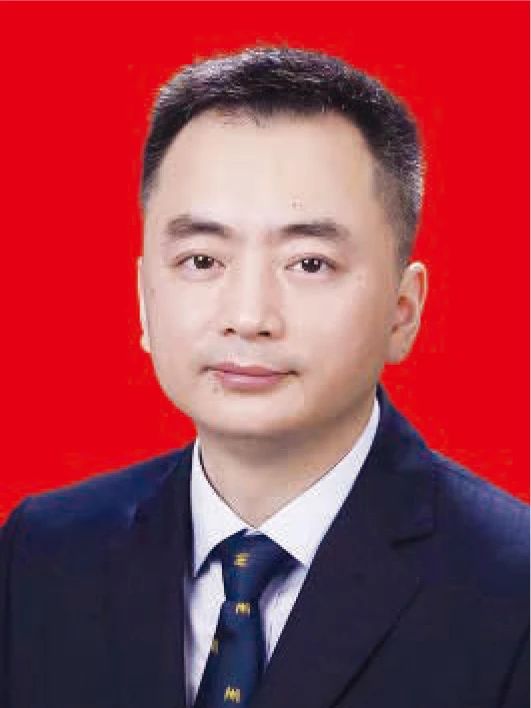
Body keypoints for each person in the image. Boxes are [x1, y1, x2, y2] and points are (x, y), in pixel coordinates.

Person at [0, 46, 528, 708]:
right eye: (201, 260)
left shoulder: (512, 586)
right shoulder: (43, 552)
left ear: (403, 311)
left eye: (309, 264)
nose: (248, 317)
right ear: (142, 297)